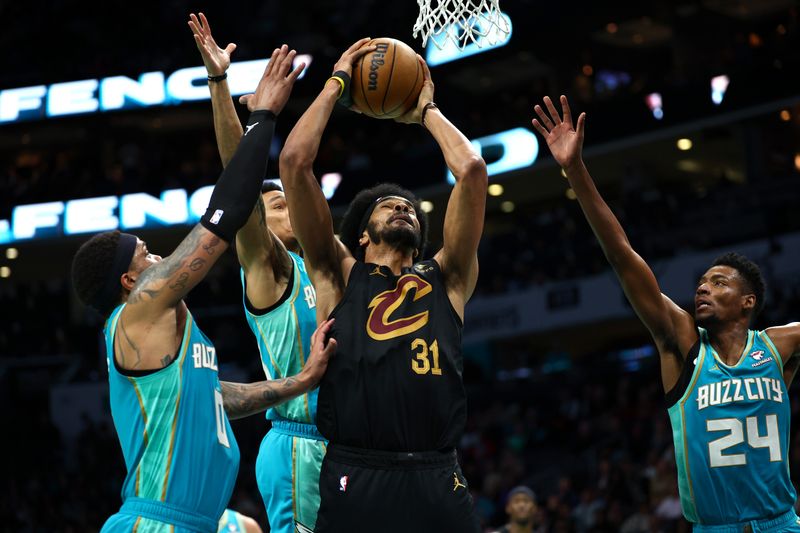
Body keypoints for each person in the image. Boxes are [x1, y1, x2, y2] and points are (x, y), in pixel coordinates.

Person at [70, 46, 337, 532]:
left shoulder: (169, 330)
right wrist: (262, 115)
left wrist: (298, 383)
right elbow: (228, 211)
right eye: (146, 254)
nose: (158, 257)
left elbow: (216, 399)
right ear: (130, 281)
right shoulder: (139, 312)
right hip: (156, 523)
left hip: (194, 521)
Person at [532, 95, 800, 531]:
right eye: (702, 281)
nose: (702, 287)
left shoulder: (780, 345)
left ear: (748, 302)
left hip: (783, 524)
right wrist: (575, 170)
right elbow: (622, 256)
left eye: (718, 282)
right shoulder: (683, 344)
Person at [279, 38, 488, 533]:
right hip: (358, 470)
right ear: (362, 234)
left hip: (438, 473)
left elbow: (473, 171)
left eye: (410, 207)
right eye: (388, 206)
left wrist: (426, 110)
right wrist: (336, 82)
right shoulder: (338, 272)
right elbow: (293, 163)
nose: (404, 208)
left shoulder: (449, 276)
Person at [188, 13, 324, 533]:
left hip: (354, 443)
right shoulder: (272, 268)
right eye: (274, 203)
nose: (285, 205)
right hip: (299, 443)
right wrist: (220, 84)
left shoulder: (327, 262)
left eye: (289, 199)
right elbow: (235, 179)